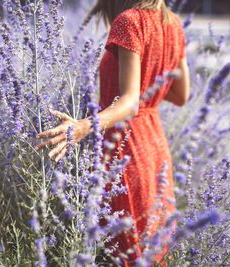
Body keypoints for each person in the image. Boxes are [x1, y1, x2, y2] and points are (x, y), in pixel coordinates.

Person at [36, 0, 190, 265]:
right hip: (154, 147)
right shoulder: (173, 23)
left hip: (125, 149)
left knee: (128, 250)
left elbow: (129, 101)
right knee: (150, 247)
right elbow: (181, 95)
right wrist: (151, 83)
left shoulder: (130, 21)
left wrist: (83, 127)